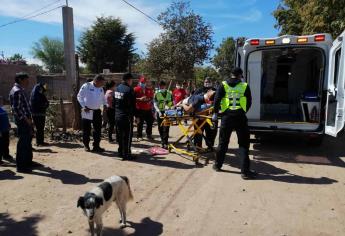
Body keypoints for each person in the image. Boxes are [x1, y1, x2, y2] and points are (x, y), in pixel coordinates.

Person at [212, 67, 257, 179]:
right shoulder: (245, 86)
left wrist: (216, 113)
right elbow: (249, 101)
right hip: (240, 117)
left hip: (226, 117)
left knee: (223, 142)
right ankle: (245, 172)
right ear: (240, 75)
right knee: (243, 144)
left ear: (231, 74)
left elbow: (216, 100)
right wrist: (242, 111)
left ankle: (218, 165)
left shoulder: (223, 85)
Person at [9, 72, 36, 173]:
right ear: (20, 80)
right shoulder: (17, 91)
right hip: (23, 120)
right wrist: (26, 119)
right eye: (26, 79)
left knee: (28, 141)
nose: (28, 82)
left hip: (26, 119)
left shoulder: (20, 90)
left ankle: (28, 162)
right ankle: (21, 166)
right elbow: (16, 109)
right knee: (23, 143)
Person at [77, 74, 107, 152]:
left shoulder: (101, 88)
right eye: (101, 82)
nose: (102, 84)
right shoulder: (87, 85)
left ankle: (96, 146)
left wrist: (105, 105)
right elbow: (79, 96)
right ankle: (86, 145)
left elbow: (103, 98)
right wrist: (83, 106)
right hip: (87, 110)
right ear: (96, 81)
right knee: (86, 129)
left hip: (97, 111)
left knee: (97, 130)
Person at [114, 73, 136, 160]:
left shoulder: (117, 88)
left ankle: (120, 152)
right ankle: (127, 154)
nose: (132, 82)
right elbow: (133, 105)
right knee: (127, 136)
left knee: (119, 135)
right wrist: (136, 116)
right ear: (128, 80)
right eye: (131, 80)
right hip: (127, 116)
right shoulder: (129, 90)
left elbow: (114, 102)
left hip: (117, 115)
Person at [193, 77, 218, 151]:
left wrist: (216, 113)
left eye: (209, 81)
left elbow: (219, 101)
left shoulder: (215, 91)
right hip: (199, 115)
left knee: (211, 132)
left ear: (212, 82)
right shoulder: (199, 90)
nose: (207, 83)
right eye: (206, 81)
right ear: (204, 82)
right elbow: (193, 100)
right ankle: (198, 146)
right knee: (198, 132)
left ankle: (210, 146)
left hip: (211, 116)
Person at [154, 81, 173, 149]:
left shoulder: (169, 93)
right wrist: (158, 111)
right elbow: (155, 103)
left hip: (167, 112)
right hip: (160, 112)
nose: (162, 87)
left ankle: (165, 143)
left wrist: (167, 109)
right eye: (160, 86)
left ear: (165, 86)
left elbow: (171, 103)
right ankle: (162, 141)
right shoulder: (157, 93)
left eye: (163, 86)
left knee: (166, 127)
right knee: (160, 127)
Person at [134, 76, 154, 141]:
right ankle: (139, 135)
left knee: (150, 121)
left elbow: (151, 97)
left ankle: (149, 134)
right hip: (140, 109)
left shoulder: (149, 89)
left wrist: (149, 99)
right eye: (142, 82)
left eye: (144, 82)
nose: (144, 83)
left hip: (148, 109)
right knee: (140, 123)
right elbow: (132, 98)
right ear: (139, 82)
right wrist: (139, 99)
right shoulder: (136, 89)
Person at [30, 82, 50, 146]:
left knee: (41, 128)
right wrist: (43, 105)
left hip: (42, 114)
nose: (42, 90)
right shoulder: (34, 96)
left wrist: (45, 105)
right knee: (39, 128)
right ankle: (38, 142)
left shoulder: (41, 95)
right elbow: (36, 105)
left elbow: (46, 102)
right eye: (41, 89)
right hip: (36, 114)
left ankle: (41, 141)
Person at [0, 96, 12, 164]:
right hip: (1, 131)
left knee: (6, 143)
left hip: (5, 130)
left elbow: (6, 118)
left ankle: (6, 155)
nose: (1, 102)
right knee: (1, 144)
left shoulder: (3, 110)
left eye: (2, 101)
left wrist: (8, 124)